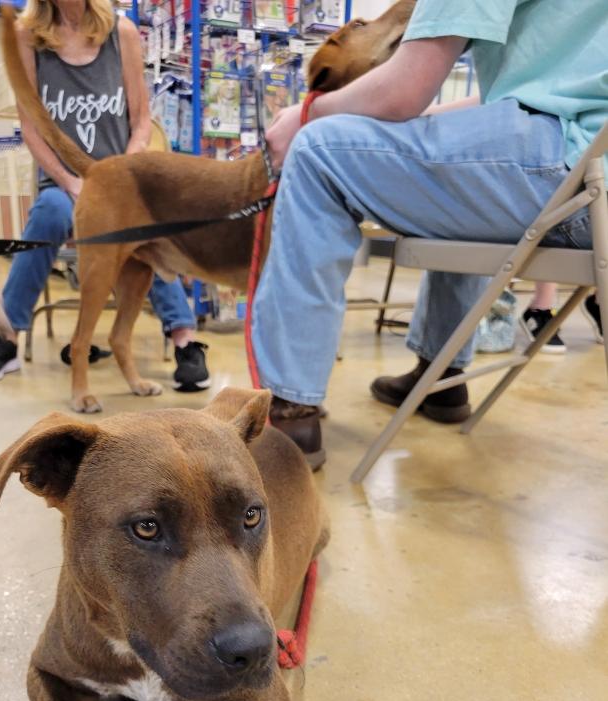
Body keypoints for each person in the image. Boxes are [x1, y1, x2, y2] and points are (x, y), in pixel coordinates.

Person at [253, 0, 608, 467]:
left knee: (318, 150)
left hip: (565, 166)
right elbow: (534, 95)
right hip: (589, 170)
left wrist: (306, 116)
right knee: (463, 160)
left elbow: (405, 89)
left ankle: (289, 405)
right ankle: (440, 377)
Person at [0, 0, 210, 393]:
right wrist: (69, 180)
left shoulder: (123, 31)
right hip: (65, 181)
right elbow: (31, 127)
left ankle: (183, 336)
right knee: (48, 212)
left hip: (120, 185)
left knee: (148, 228)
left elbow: (140, 120)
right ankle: (7, 336)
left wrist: (121, 176)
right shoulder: (26, 35)